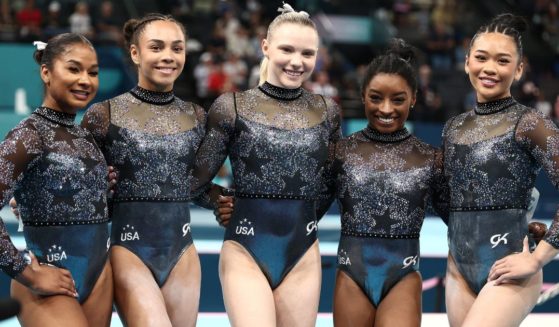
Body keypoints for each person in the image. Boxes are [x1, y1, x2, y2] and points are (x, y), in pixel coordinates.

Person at [191, 3, 341, 326]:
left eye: (307, 53)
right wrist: (218, 201)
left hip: (302, 253)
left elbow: (332, 181)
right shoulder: (232, 107)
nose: (297, 62)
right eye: (287, 49)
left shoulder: (327, 112)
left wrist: (306, 218)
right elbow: (193, 181)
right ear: (266, 47)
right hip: (246, 249)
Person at [311, 39, 448, 327]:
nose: (386, 109)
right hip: (351, 277)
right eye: (376, 98)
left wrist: (518, 231)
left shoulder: (430, 159)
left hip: (404, 278)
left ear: (413, 98)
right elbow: (307, 212)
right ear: (362, 95)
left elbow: (461, 219)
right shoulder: (340, 152)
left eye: (398, 99)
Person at [81, 14, 205, 326]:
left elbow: (196, 185)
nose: (168, 56)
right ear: (136, 53)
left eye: (177, 48)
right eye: (157, 47)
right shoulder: (103, 115)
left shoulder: (197, 116)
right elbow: (79, 180)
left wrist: (228, 202)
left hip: (183, 252)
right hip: (130, 250)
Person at [442, 13, 559, 327]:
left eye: (502, 60)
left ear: (519, 69)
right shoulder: (454, 128)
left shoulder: (530, 123)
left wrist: (538, 258)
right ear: (467, 62)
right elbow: (448, 200)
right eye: (481, 58)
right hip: (458, 270)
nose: (490, 68)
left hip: (510, 270)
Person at [0, 33, 113, 326]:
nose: (85, 80)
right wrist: (26, 273)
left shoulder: (87, 137)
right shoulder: (28, 135)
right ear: (46, 72)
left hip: (99, 274)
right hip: (46, 279)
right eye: (74, 69)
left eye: (93, 72)